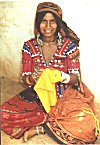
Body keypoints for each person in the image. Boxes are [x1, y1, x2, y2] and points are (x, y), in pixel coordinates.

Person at [1, 2, 100, 144]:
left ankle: (41, 128)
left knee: (87, 127)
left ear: (58, 24)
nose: (48, 27)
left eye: (52, 21)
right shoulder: (29, 46)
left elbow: (75, 78)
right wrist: (33, 77)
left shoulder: (69, 47)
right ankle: (52, 122)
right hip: (38, 98)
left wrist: (61, 76)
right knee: (3, 115)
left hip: (66, 97)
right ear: (37, 23)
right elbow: (24, 79)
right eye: (43, 21)